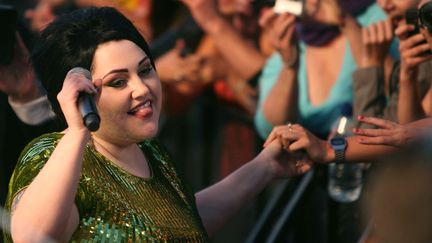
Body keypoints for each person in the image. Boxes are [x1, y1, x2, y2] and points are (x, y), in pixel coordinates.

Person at [3, 7, 311, 242]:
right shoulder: (51, 154)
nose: (142, 89)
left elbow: (182, 222)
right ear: (79, 96)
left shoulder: (150, 152)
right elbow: (32, 237)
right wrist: (78, 131)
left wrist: (265, 166)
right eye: (118, 82)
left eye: (146, 70)